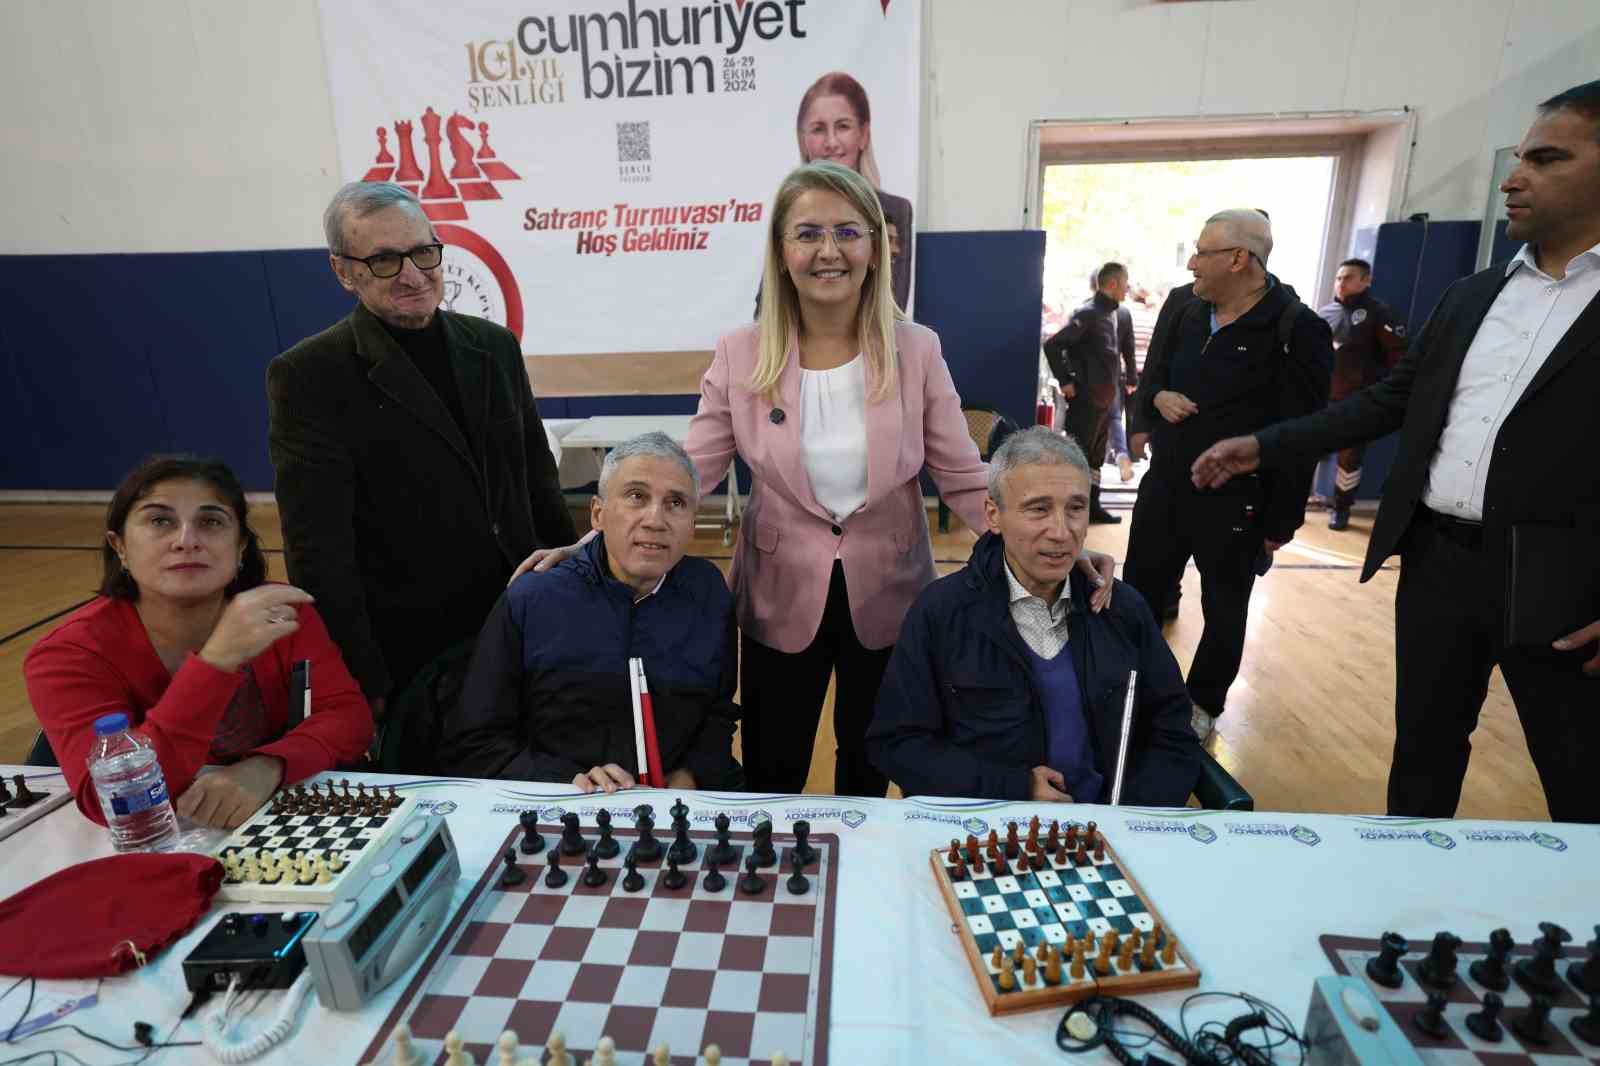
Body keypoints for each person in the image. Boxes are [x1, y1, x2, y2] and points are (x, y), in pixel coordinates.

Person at [517, 161, 1117, 797]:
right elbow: (686, 474)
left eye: (847, 232)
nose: (828, 251)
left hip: (892, 594)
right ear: (781, 251)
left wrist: (1053, 546)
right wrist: (593, 545)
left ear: (876, 246)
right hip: (779, 596)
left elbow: (964, 477)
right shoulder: (741, 352)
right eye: (807, 234)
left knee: (871, 764)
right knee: (774, 766)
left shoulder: (917, 349)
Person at [1191, 81, 1600, 823]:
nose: (1513, 178)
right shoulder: (1474, 295)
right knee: (1424, 749)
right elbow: (1387, 401)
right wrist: (1262, 445)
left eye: (1545, 160)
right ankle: (1405, 901)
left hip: (1567, 582)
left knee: (1578, 774)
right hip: (1441, 561)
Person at [267, 182, 575, 730]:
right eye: (384, 260)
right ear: (344, 272)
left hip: (527, 621)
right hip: (413, 653)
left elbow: (539, 486)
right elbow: (318, 550)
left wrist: (573, 596)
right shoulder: (310, 374)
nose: (412, 274)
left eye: (422, 252)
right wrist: (365, 677)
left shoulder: (495, 346)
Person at [24, 456, 372, 828]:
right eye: (160, 521)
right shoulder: (66, 656)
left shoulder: (280, 610)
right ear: (120, 546)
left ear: (240, 547)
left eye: (210, 522)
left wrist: (268, 766)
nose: (187, 540)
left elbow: (348, 716)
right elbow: (115, 800)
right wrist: (216, 662)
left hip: (272, 824)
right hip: (153, 843)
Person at [866, 428, 1201, 804]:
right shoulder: (941, 614)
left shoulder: (1123, 610)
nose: (1062, 532)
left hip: (1106, 834)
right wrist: (1014, 788)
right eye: (1039, 508)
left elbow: (1173, 733)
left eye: (1075, 508)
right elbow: (898, 744)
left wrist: (1130, 817)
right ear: (993, 515)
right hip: (989, 832)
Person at [1120, 209, 1332, 744]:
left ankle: (1202, 704)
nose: (1191, 263)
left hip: (1239, 501)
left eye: (1202, 252)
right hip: (1165, 486)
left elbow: (1303, 433)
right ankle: (1129, 694)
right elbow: (1152, 380)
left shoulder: (1296, 328)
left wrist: (1281, 523)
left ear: (1239, 259)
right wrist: (1155, 402)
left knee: (1224, 607)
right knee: (1137, 597)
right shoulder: (1182, 305)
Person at [440, 434, 742, 793]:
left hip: (674, 803)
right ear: (597, 514)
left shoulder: (708, 593)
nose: (655, 519)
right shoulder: (532, 599)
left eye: (675, 502)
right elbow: (476, 740)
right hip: (558, 804)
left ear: (692, 522)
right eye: (636, 497)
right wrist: (567, 781)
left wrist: (691, 775)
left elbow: (718, 714)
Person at [796, 72, 915, 311]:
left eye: (842, 127)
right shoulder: (789, 213)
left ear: (863, 135)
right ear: (803, 141)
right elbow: (766, 307)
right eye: (818, 129)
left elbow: (892, 307)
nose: (831, 142)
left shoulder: (892, 212)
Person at [1316, 258, 1408, 529]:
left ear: (1366, 281)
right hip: (1324, 397)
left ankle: (1341, 509)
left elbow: (1399, 356)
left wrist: (1382, 394)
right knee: (1306, 448)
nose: (1341, 283)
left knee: (1350, 459)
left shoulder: (1380, 313)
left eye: (1348, 278)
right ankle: (1294, 506)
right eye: (1338, 278)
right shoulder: (1326, 312)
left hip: (1359, 399)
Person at [1043, 262, 1135, 523]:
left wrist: (1130, 379)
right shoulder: (1088, 313)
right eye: (1126, 283)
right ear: (1113, 283)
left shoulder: (1117, 314)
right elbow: (1053, 345)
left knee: (1095, 459)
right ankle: (1069, 512)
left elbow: (1119, 352)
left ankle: (1091, 507)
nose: (1129, 289)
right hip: (1085, 401)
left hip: (1106, 401)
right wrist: (1066, 381)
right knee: (1077, 456)